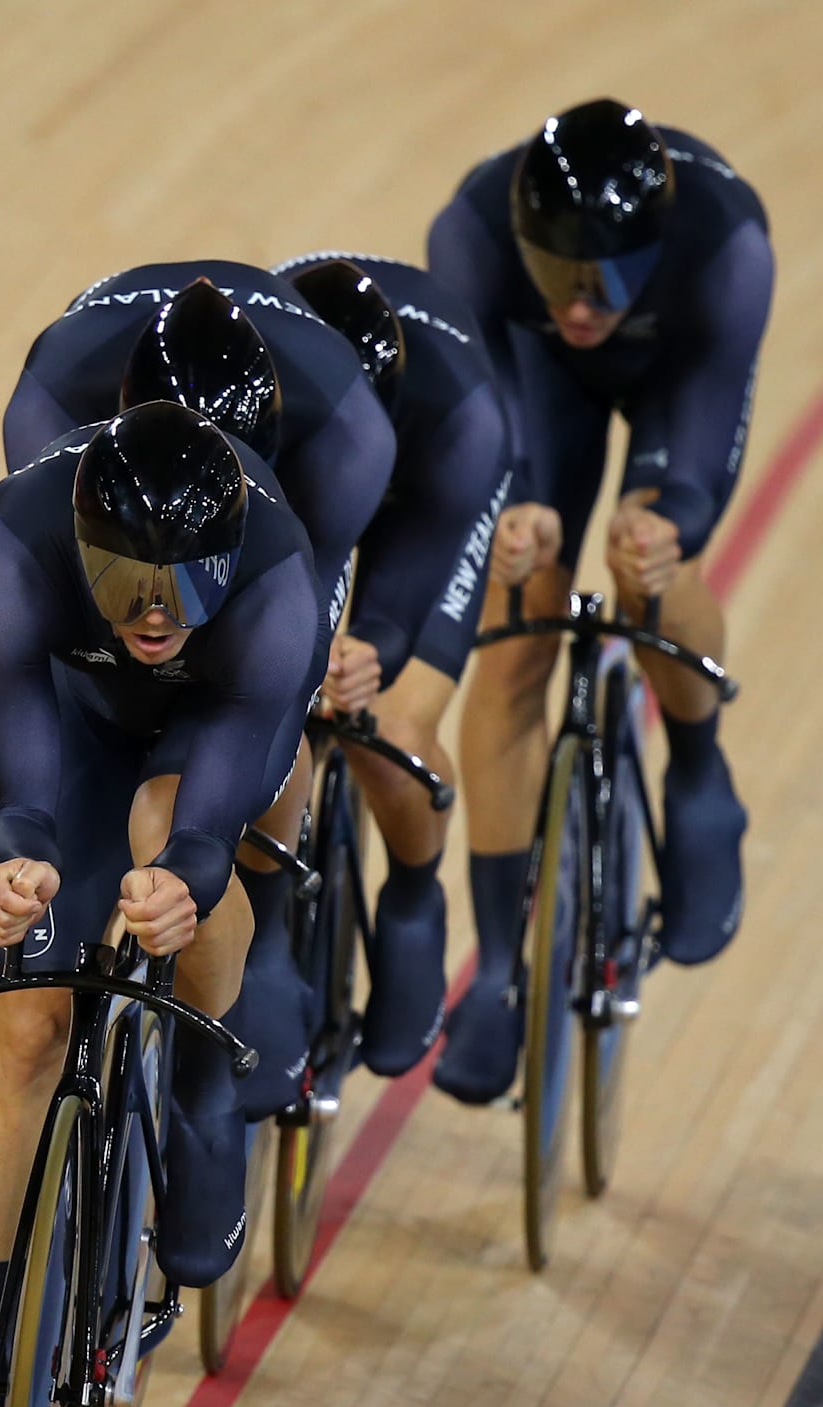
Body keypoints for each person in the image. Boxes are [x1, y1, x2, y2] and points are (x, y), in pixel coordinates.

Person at [0, 400, 327, 1407]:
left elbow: (224, 783)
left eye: (182, 583)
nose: (154, 612)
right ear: (82, 547)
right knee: (29, 1027)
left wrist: (189, 873)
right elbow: (20, 748)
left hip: (210, 734)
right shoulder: (19, 534)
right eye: (127, 579)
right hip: (75, 725)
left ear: (226, 563)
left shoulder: (281, 578)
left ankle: (202, 1082)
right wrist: (13, 863)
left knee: (168, 839)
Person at [426, 97, 774, 1104]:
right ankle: (497, 966)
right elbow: (484, 421)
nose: (583, 305)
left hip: (676, 382)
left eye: (610, 278)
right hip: (539, 390)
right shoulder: (471, 236)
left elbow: (701, 458)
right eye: (560, 275)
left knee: (647, 559)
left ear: (653, 251)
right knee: (520, 619)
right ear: (523, 244)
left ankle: (701, 775)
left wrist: (676, 523)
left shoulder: (726, 248)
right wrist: (518, 506)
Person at [2, 262, 397, 1108]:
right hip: (116, 521)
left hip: (284, 542)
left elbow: (277, 669)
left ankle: (271, 924)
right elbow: (52, 619)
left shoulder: (345, 442)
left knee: (277, 688)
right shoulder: (50, 408)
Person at [272, 251, 511, 1075]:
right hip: (286, 472)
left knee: (390, 730)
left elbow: (399, 609)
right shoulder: (252, 374)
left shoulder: (460, 421)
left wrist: (366, 648)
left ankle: (413, 896)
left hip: (428, 503)